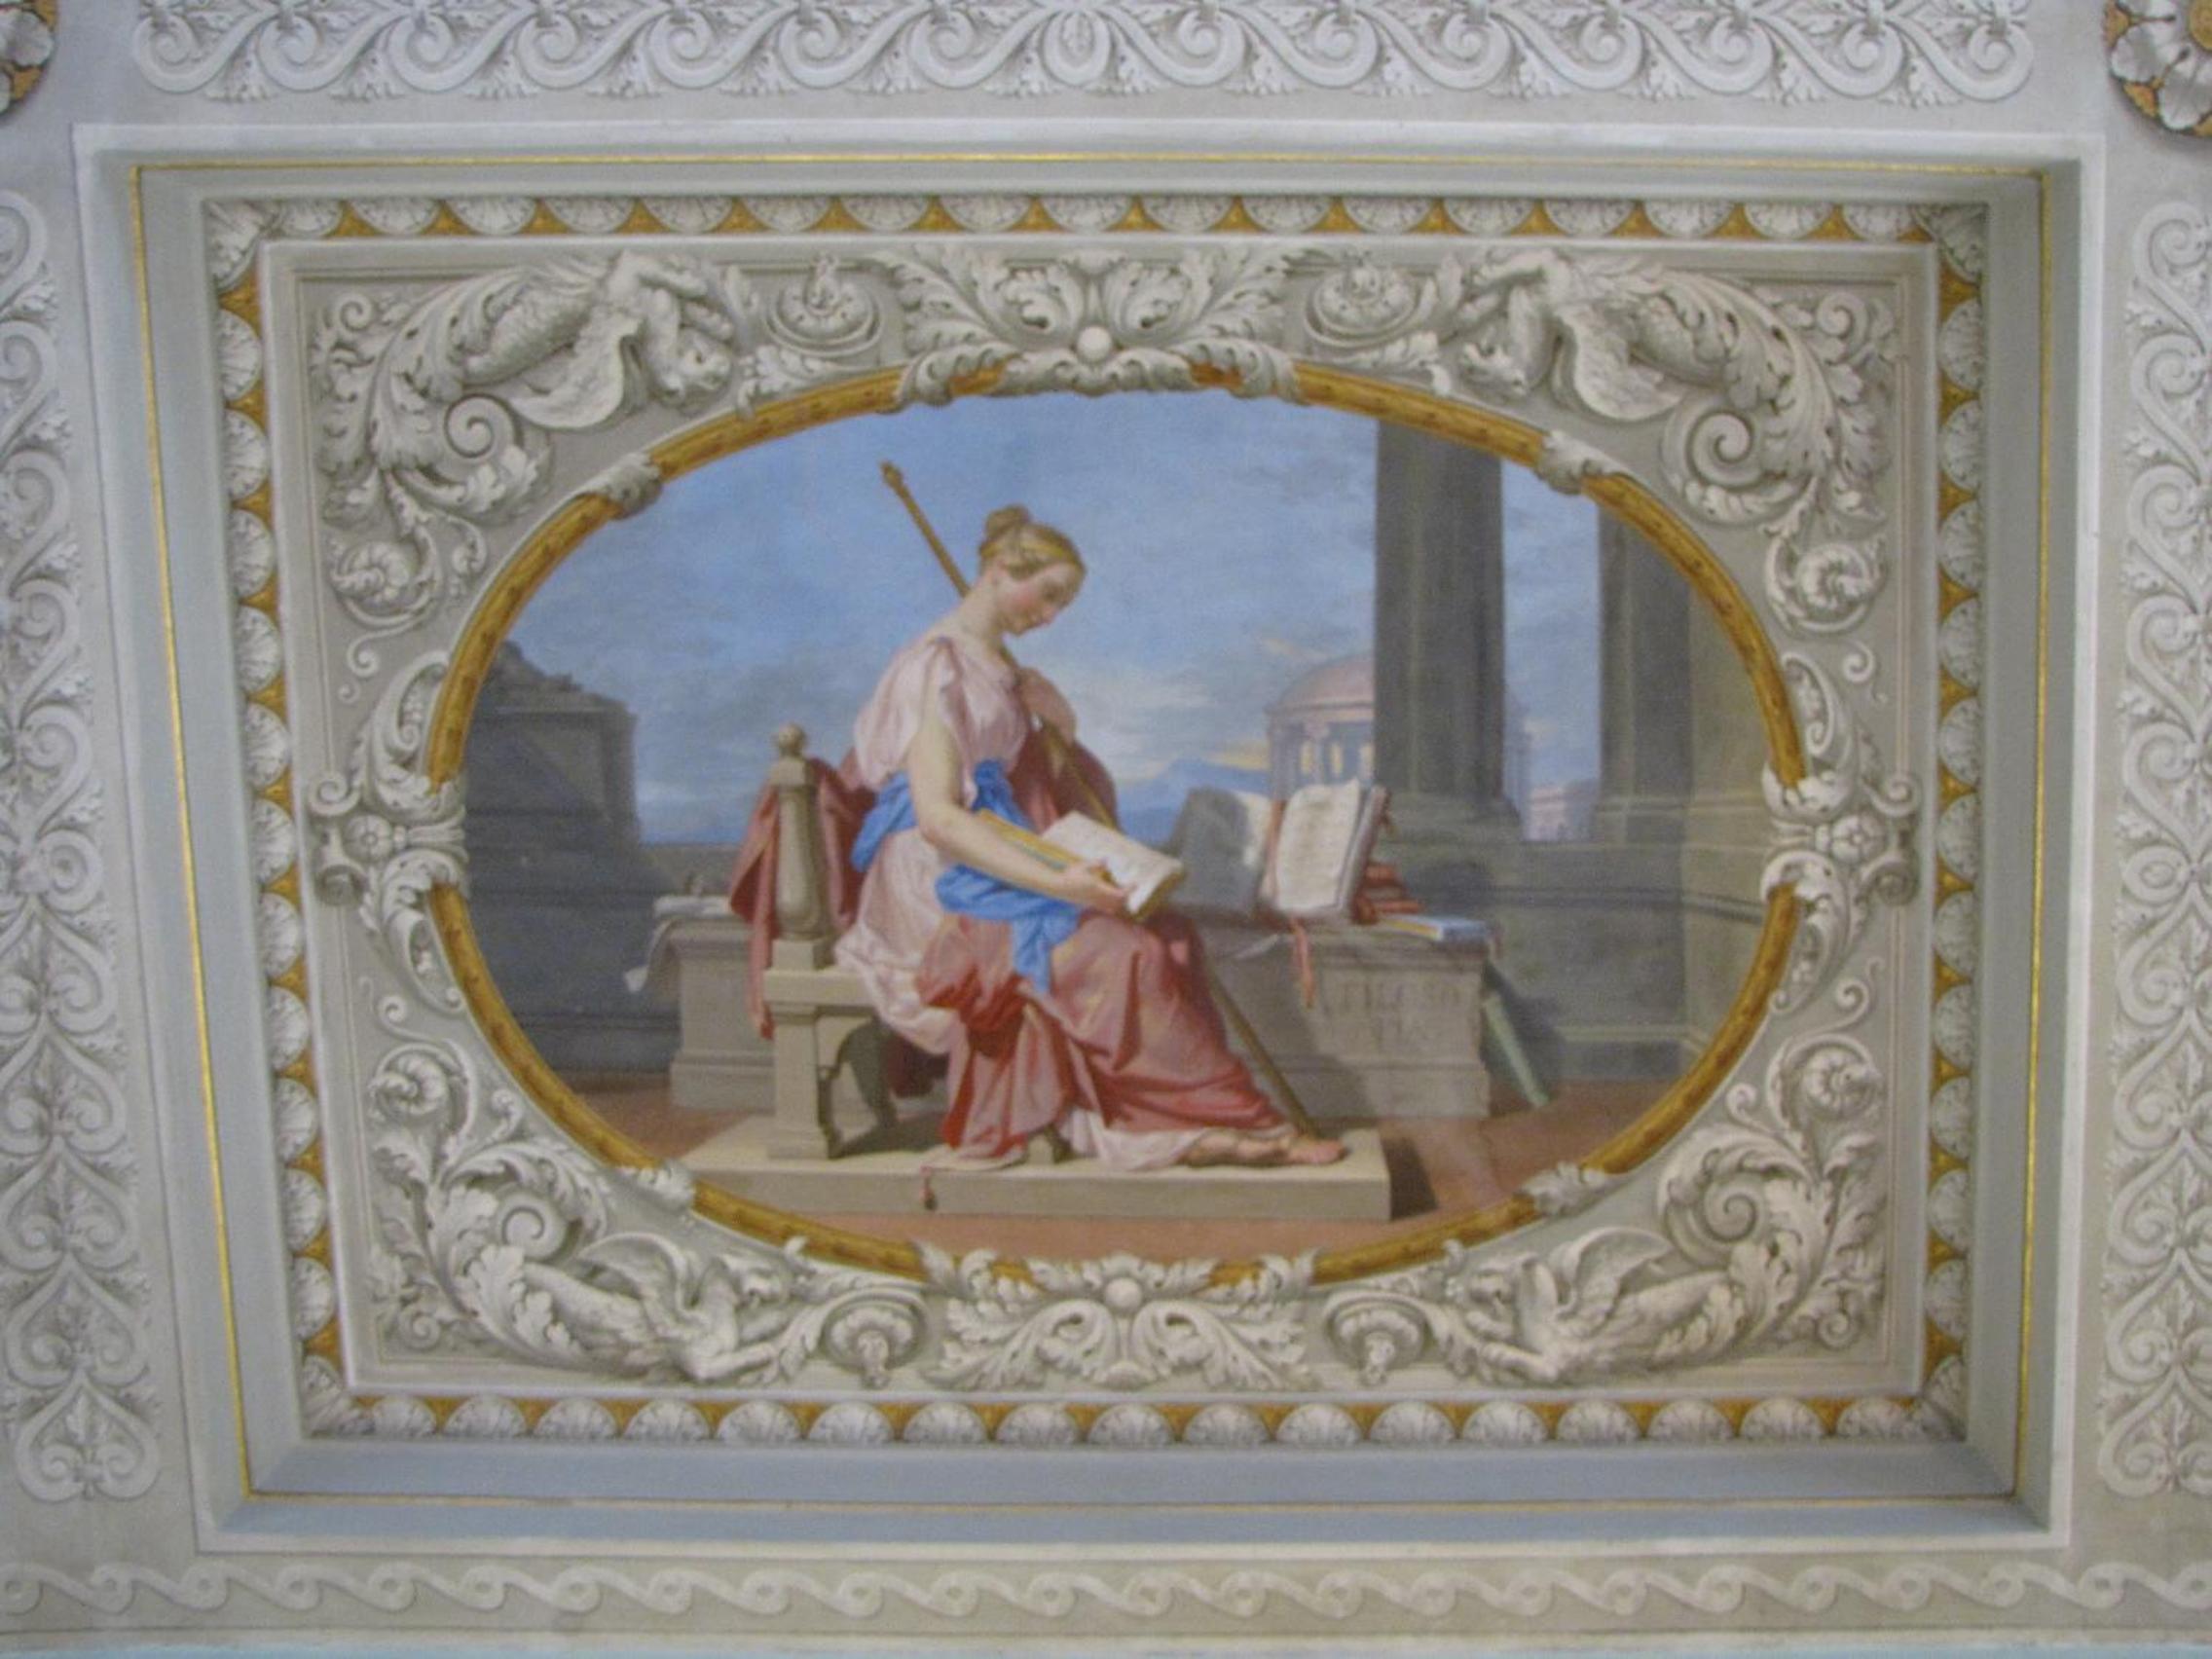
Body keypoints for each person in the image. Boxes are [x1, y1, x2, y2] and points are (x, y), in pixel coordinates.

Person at [833, 504, 1345, 1172]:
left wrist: (1060, 724)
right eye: (1046, 595)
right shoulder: (935, 668)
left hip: (998, 850)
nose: (1050, 617)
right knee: (1121, 952)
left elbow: (1034, 785)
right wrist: (1061, 883)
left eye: (1062, 606)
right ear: (999, 570)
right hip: (935, 877)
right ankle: (1227, 1125)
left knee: (1168, 936)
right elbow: (939, 819)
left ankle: (1183, 1124)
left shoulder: (997, 668)